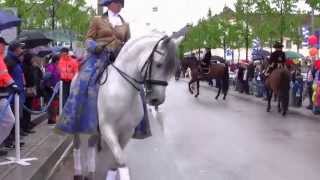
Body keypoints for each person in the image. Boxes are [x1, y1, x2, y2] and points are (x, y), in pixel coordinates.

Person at [57, 0, 130, 134]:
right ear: (109, 4)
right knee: (83, 81)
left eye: (121, 3)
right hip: (99, 55)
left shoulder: (125, 24)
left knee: (136, 85)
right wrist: (94, 47)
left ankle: (135, 122)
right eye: (117, 2)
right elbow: (88, 39)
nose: (120, 5)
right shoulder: (97, 20)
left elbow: (128, 43)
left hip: (118, 57)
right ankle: (75, 120)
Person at [4, 41, 26, 148]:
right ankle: (9, 141)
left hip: (17, 93)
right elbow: (5, 77)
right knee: (12, 118)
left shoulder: (15, 61)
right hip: (12, 95)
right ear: (15, 49)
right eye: (20, 48)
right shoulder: (9, 60)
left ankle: (14, 140)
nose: (22, 50)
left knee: (16, 118)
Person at [0, 37, 20, 156]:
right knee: (9, 120)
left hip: (2, 95)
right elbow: (4, 75)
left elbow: (4, 75)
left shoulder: (2, 59)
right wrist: (13, 84)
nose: (5, 47)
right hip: (2, 94)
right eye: (3, 45)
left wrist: (12, 84)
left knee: (9, 120)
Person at [44, 55, 60, 124]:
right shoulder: (50, 67)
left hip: (55, 88)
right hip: (50, 88)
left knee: (55, 104)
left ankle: (53, 118)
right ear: (56, 60)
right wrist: (49, 86)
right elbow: (46, 77)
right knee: (52, 104)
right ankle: (51, 118)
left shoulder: (56, 67)